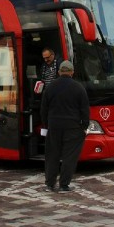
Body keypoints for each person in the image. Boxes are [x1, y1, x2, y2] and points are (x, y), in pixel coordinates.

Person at [41, 60, 89, 193]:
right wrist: (84, 126)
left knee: (52, 155)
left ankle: (50, 184)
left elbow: (43, 109)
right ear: (72, 73)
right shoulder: (79, 88)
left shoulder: (50, 87)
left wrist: (47, 124)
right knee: (69, 157)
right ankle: (64, 185)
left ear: (59, 72)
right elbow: (85, 110)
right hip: (73, 127)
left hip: (54, 126)